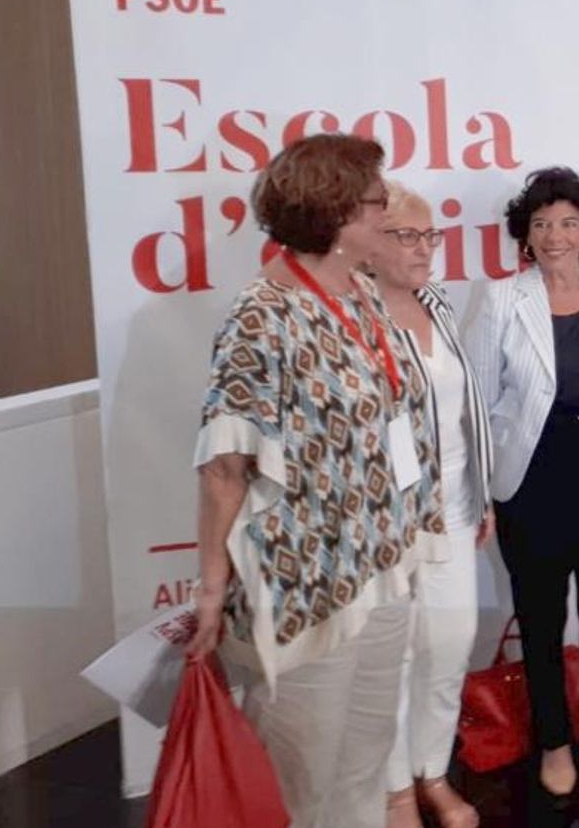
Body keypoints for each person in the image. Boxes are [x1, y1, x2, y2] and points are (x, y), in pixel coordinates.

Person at [185, 134, 443, 828]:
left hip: (380, 565)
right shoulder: (262, 315)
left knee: (365, 759)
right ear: (334, 212)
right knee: (300, 780)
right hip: (304, 584)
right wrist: (210, 588)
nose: (387, 210)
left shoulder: (362, 292)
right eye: (375, 200)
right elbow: (224, 465)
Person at [462, 166, 579, 800]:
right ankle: (554, 742)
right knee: (540, 618)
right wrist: (481, 487)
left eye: (568, 223)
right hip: (532, 475)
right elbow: (478, 400)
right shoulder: (501, 299)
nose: (555, 236)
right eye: (541, 224)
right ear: (526, 235)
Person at [374, 183, 494, 828]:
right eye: (407, 236)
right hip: (387, 520)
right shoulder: (352, 314)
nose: (423, 250)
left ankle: (434, 772)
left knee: (450, 643)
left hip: (456, 505)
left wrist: (483, 488)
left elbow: (466, 405)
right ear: (370, 241)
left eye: (430, 237)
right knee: (391, 656)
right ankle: (395, 792)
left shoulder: (438, 302)